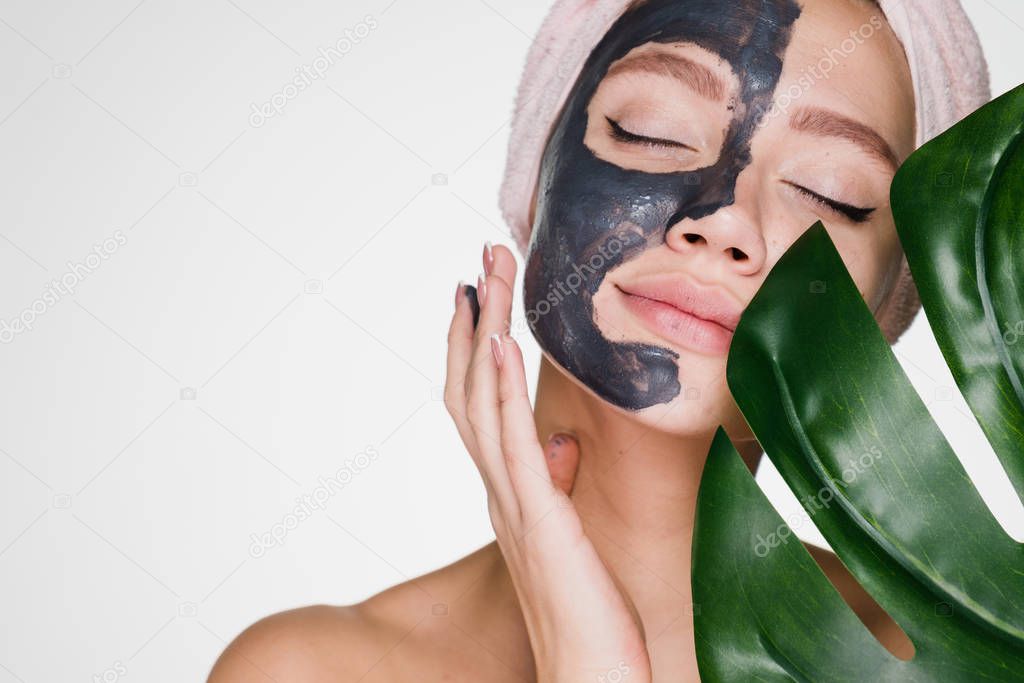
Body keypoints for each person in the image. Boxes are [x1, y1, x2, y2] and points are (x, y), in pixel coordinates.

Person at [208, 0, 990, 680]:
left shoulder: (963, 661)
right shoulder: (305, 670)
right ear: (536, 170)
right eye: (650, 131)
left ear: (893, 299)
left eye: (831, 194)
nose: (725, 221)